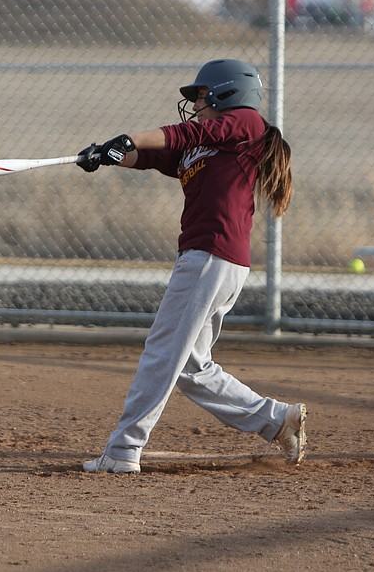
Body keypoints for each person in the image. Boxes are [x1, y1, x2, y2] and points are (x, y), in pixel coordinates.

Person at [75, 58, 305, 474]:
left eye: (201, 96)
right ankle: (274, 418)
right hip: (214, 261)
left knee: (162, 353)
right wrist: (107, 154)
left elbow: (186, 133)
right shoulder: (207, 145)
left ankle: (124, 450)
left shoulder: (246, 124)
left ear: (227, 94)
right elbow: (155, 156)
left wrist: (128, 137)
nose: (196, 105)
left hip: (210, 257)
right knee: (193, 366)